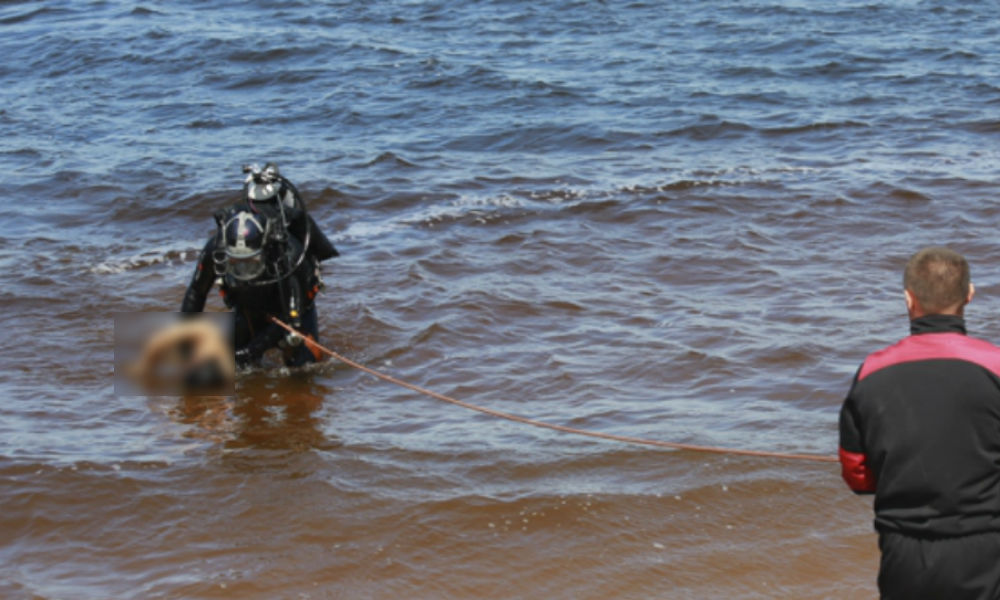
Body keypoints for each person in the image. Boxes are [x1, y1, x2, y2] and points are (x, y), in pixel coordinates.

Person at [839, 246, 1000, 599]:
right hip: (986, 548)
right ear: (969, 296)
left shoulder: (871, 372)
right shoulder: (995, 366)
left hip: (904, 552)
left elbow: (858, 475)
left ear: (908, 299)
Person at [181, 163, 339, 368]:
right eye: (237, 265)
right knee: (235, 370)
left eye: (250, 264)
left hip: (288, 311)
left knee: (305, 371)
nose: (244, 271)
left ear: (264, 251)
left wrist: (251, 350)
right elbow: (196, 293)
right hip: (248, 307)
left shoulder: (288, 255)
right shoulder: (216, 249)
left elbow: (291, 319)